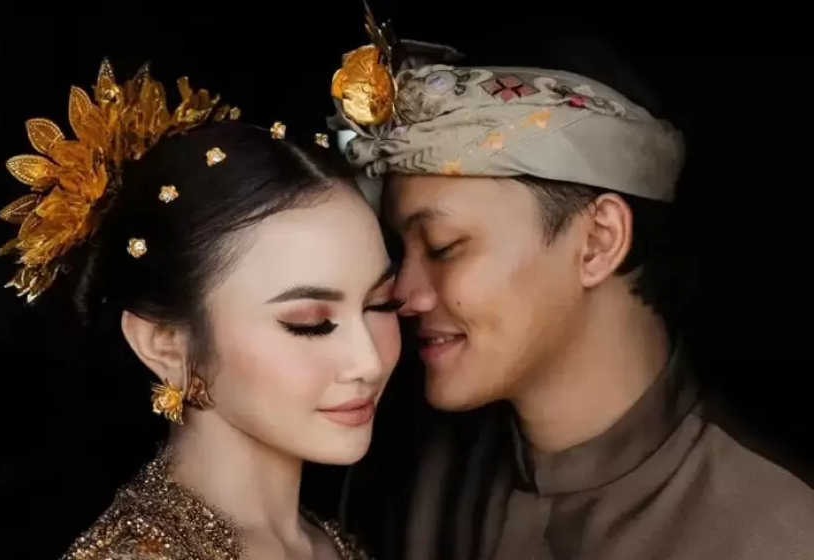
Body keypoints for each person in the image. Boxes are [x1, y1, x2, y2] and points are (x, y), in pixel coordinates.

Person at [327, 9, 814, 560]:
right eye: (400, 250)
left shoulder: (773, 532)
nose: (404, 293)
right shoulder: (402, 479)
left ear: (599, 241)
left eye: (443, 246)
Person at [0, 59, 402, 559]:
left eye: (381, 304)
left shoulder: (332, 543)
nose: (369, 361)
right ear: (165, 344)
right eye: (311, 324)